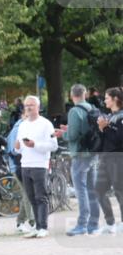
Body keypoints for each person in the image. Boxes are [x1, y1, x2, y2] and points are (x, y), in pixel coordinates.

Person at [59, 84, 101, 236]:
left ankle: (82, 224)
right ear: (85, 94)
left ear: (72, 95)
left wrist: (62, 134)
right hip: (93, 153)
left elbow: (72, 136)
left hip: (80, 154)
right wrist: (68, 130)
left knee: (80, 190)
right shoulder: (92, 108)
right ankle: (94, 224)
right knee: (92, 189)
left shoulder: (74, 111)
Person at [14, 95, 57, 238]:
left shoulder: (46, 124)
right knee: (31, 197)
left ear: (38, 107)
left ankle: (43, 226)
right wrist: (18, 147)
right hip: (25, 164)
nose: (28, 108)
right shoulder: (22, 125)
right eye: (26, 105)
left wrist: (35, 145)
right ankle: (37, 226)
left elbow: (53, 145)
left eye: (31, 105)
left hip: (40, 164)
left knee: (41, 196)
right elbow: (18, 148)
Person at [94, 86, 123, 235]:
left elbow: (119, 140)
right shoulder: (109, 116)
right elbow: (105, 140)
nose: (104, 100)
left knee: (120, 191)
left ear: (115, 99)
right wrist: (101, 128)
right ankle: (110, 223)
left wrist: (105, 128)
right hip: (105, 159)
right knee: (99, 189)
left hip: (118, 159)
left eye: (106, 97)